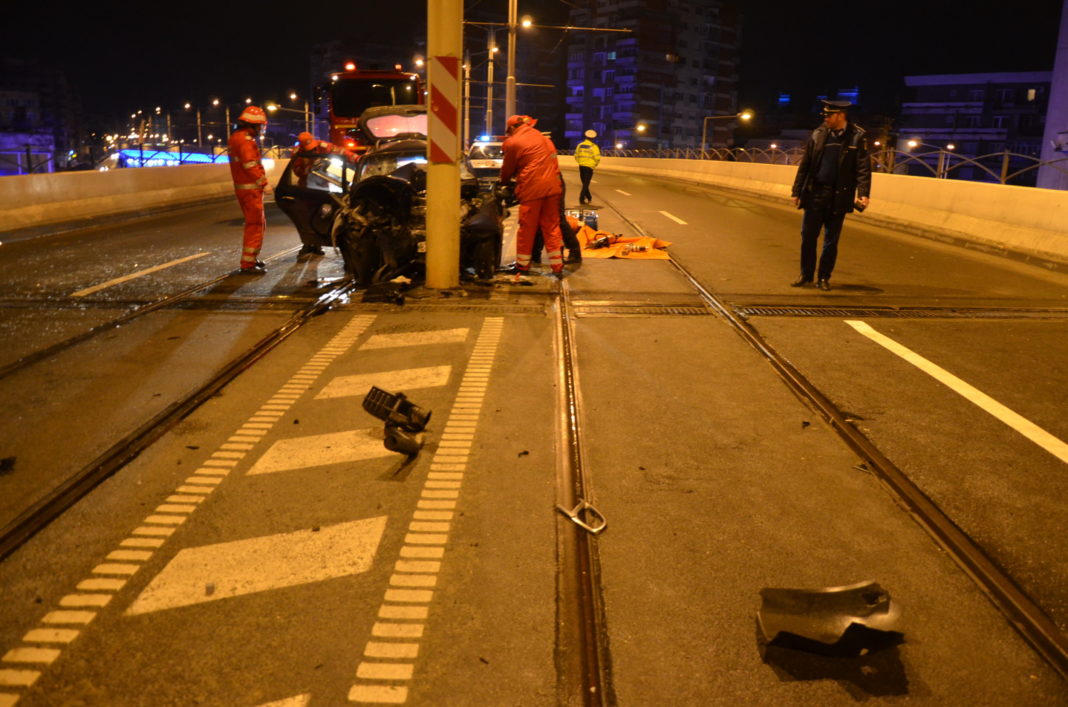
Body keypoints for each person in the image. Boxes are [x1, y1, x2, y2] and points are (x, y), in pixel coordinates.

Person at [790, 99, 871, 291]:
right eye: (825, 115)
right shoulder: (818, 134)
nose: (826, 118)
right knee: (808, 236)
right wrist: (797, 190)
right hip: (815, 193)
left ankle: (824, 277)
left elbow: (863, 169)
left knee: (831, 240)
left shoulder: (857, 137)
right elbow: (805, 165)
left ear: (840, 115)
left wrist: (864, 194)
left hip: (839, 196)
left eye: (829, 115)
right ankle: (806, 275)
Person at [499, 114, 566, 280]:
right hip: (552, 188)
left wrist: (504, 181)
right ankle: (557, 266)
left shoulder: (514, 142)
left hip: (532, 188)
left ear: (512, 128)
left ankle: (522, 266)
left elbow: (508, 168)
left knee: (527, 228)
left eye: (509, 131)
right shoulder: (543, 138)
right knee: (551, 227)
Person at [289, 132, 357, 260]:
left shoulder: (324, 146)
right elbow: (297, 171)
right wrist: (309, 169)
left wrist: (357, 159)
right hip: (306, 188)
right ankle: (308, 245)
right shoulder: (297, 153)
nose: (313, 150)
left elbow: (342, 152)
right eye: (310, 149)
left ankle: (318, 244)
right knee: (307, 216)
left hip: (322, 186)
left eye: (314, 148)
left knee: (321, 215)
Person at [228, 105, 271, 274]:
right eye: (259, 125)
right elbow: (250, 164)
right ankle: (248, 264)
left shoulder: (235, 138)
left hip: (243, 188)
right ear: (252, 125)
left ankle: (251, 259)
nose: (260, 129)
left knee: (254, 223)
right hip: (250, 189)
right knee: (255, 224)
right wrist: (263, 183)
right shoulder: (246, 141)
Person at [574, 129, 601, 204]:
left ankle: (589, 197)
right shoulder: (594, 146)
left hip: (581, 166)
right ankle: (581, 198)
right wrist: (594, 165)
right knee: (586, 183)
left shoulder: (580, 145)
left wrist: (580, 162)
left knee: (584, 183)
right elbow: (597, 158)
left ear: (586, 136)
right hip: (589, 167)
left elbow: (576, 155)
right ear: (593, 138)